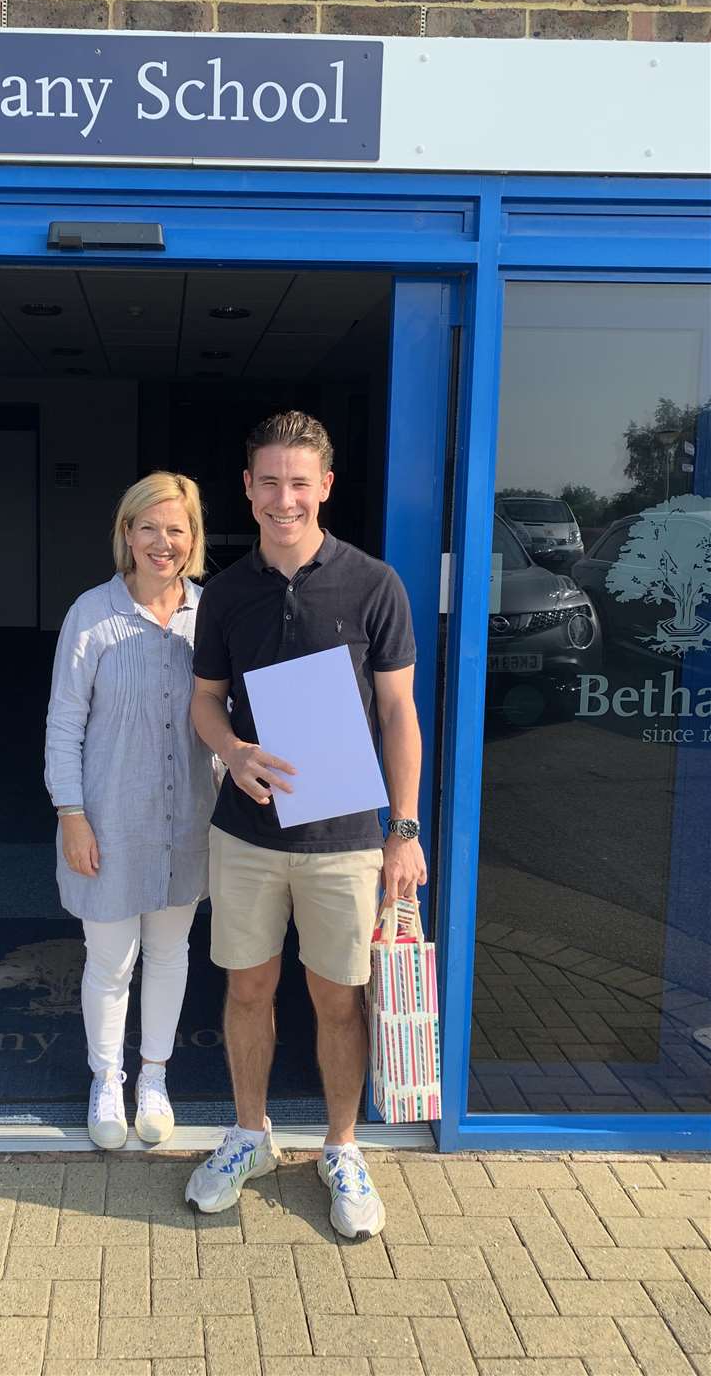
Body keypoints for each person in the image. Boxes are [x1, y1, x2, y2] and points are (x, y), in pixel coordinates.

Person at [185, 412, 426, 1240]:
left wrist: (405, 829)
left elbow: (399, 714)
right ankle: (249, 1136)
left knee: (338, 999)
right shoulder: (225, 592)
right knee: (246, 988)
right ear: (247, 488)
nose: (284, 498)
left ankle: (341, 1147)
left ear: (324, 486)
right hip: (247, 834)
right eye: (268, 482)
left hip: (346, 838)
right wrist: (230, 750)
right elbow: (203, 702)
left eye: (300, 482)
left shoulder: (373, 585)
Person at [45, 472, 215, 1149]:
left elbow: (232, 717)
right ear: (126, 533)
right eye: (148, 526)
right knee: (110, 959)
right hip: (108, 820)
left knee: (171, 952)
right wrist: (71, 813)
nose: (161, 541)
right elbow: (64, 723)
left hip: (187, 819)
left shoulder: (213, 616)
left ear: (193, 539)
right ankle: (106, 1078)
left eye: (176, 528)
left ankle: (154, 1077)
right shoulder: (91, 614)